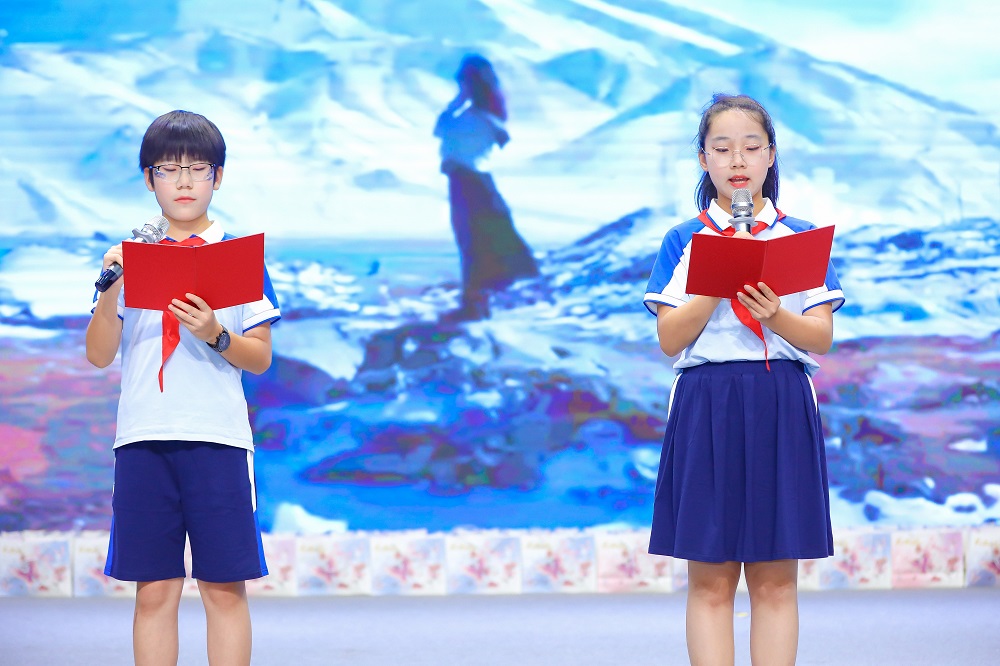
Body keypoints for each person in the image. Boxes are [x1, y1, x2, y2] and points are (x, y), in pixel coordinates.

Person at [643, 94, 844, 665]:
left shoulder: (799, 237)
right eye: (723, 148)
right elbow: (670, 338)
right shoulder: (684, 239)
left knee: (775, 580)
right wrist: (715, 280)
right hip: (707, 404)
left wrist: (774, 314)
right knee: (710, 580)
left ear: (770, 156)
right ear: (703, 159)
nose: (738, 160)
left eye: (752, 147)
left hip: (780, 402)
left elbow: (820, 337)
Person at [85, 110, 280, 666]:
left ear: (218, 177)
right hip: (143, 438)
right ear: (149, 179)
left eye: (198, 168)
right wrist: (110, 288)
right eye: (169, 170)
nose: (185, 182)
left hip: (217, 438)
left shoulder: (239, 257)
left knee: (223, 588)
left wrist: (215, 333)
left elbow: (260, 357)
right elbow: (99, 354)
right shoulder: (128, 259)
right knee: (154, 590)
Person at [434, 53, 538, 321]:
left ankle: (475, 303)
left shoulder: (478, 117)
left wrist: (458, 101)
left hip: (469, 181)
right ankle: (477, 301)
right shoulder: (486, 115)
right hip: (472, 181)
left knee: (473, 242)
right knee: (478, 241)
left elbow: (442, 130)